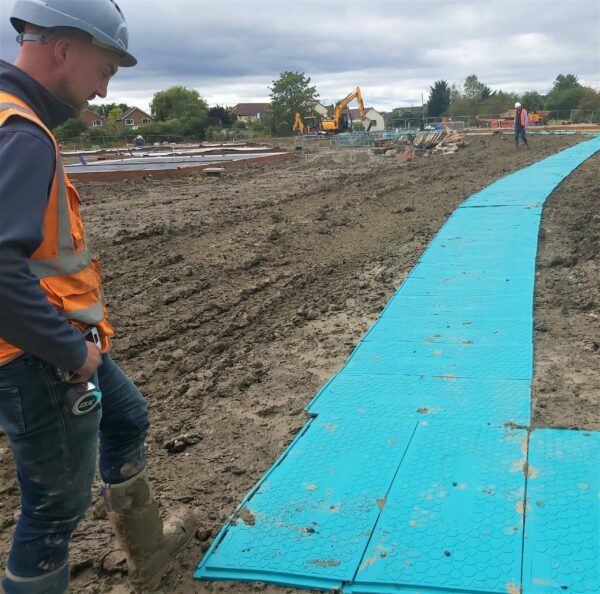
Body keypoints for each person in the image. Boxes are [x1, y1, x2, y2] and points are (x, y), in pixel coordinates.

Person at [0, 1, 194, 593]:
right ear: (64, 48)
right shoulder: (23, 136)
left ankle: (149, 547)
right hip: (36, 354)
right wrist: (68, 351)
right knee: (53, 510)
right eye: (107, 71)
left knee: (127, 415)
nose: (106, 91)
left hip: (50, 339)